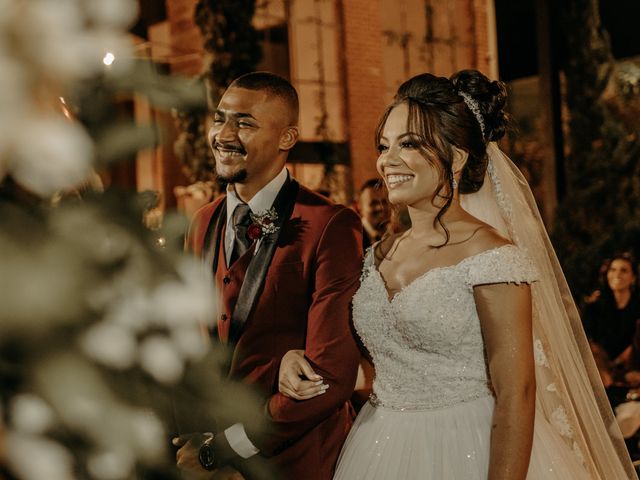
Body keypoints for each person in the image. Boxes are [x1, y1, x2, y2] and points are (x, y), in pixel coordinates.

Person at [277, 70, 636, 478]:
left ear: (458, 157)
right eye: (384, 145)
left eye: (409, 144)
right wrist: (296, 358)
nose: (387, 160)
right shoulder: (376, 255)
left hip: (471, 445)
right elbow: (368, 364)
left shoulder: (492, 257)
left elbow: (516, 393)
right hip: (380, 447)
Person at [175, 72, 363, 479]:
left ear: (287, 138)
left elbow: (330, 375)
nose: (223, 134)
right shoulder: (201, 222)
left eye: (244, 122)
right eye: (220, 118)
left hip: (296, 464)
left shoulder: (331, 225)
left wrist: (226, 448)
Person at [583, 253, 640, 387]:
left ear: (633, 278)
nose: (617, 274)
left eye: (624, 270)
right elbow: (588, 343)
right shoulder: (594, 307)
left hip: (632, 368)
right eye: (613, 270)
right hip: (600, 370)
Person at [355, 179, 391, 249]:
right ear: (360, 207)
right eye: (373, 203)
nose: (380, 208)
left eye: (385, 202)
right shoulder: (353, 239)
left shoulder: (398, 235)